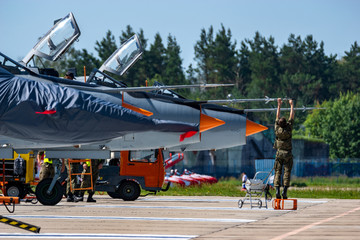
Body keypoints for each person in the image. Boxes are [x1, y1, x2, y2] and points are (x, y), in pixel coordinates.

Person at [273, 98, 295, 199]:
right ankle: (284, 191)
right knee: (287, 172)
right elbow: (292, 116)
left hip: (279, 153)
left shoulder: (277, 129)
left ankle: (277, 190)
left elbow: (277, 116)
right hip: (287, 154)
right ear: (286, 123)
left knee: (278, 171)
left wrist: (279, 105)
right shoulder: (288, 128)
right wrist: (291, 105)